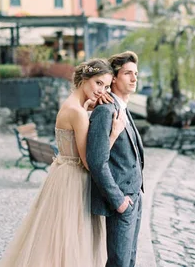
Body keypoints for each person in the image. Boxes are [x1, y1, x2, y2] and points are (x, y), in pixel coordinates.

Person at [0, 58, 127, 267]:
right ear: (85, 78)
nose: (101, 91)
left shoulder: (73, 105)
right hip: (75, 182)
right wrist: (114, 133)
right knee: (71, 240)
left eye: (105, 86)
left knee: (53, 239)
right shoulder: (77, 113)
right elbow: (89, 162)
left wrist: (88, 106)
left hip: (62, 174)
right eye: (98, 83)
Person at [86, 51, 144, 267]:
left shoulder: (123, 108)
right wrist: (119, 201)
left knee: (130, 260)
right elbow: (96, 161)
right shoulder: (105, 111)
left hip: (136, 197)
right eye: (128, 73)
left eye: (136, 73)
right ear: (115, 78)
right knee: (119, 263)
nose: (134, 78)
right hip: (122, 200)